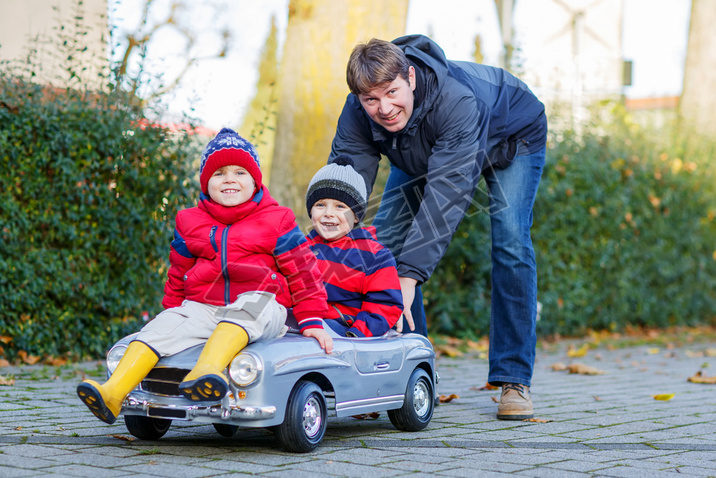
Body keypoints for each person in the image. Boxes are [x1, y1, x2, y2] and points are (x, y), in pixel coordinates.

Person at [329, 35, 547, 420]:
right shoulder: (358, 110)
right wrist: (333, 233)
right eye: (371, 100)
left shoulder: (456, 100)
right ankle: (413, 373)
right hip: (426, 150)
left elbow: (445, 198)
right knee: (385, 250)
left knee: (510, 242)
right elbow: (347, 180)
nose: (384, 108)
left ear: (410, 77)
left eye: (392, 92)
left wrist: (410, 275)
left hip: (512, 137)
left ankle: (515, 378)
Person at [77, 128, 329, 425]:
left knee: (253, 302)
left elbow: (303, 271)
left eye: (240, 172)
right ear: (205, 183)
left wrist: (312, 321)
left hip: (264, 307)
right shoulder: (189, 221)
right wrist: (173, 313)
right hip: (205, 307)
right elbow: (179, 271)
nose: (230, 179)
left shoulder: (278, 219)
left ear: (255, 180)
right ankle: (113, 392)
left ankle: (206, 372)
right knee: (161, 327)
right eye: (219, 173)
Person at [304, 155, 403, 337]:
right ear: (311, 211)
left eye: (340, 207)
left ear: (356, 216)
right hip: (300, 322)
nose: (328, 214)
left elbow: (385, 303)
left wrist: (357, 333)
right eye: (320, 205)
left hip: (341, 331)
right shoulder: (300, 248)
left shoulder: (374, 256)